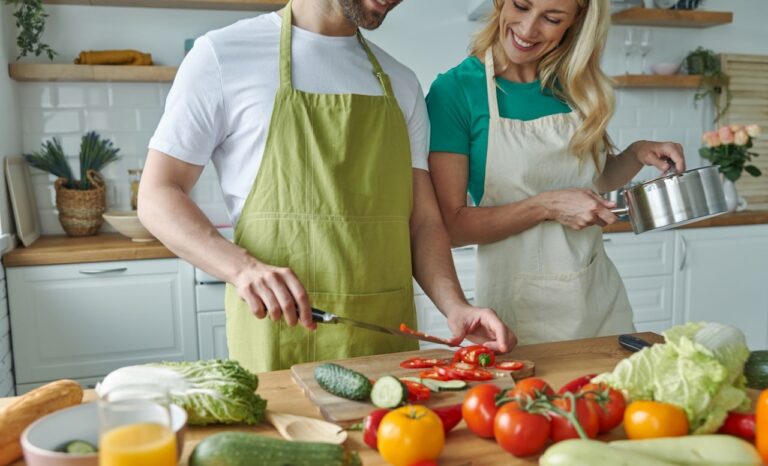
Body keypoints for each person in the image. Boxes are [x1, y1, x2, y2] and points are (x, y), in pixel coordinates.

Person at [138, 0, 516, 373]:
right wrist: (242, 268)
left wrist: (455, 306)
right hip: (280, 334)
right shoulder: (222, 56)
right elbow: (157, 194)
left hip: (383, 336)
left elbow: (423, 222)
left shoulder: (400, 81)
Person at [426, 0, 686, 346]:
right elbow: (453, 227)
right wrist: (547, 206)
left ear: (575, 23)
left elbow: (593, 179)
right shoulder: (456, 91)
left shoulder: (576, 86)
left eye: (551, 18)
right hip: (519, 314)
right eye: (521, 6)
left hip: (598, 298)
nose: (528, 29)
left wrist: (637, 153)